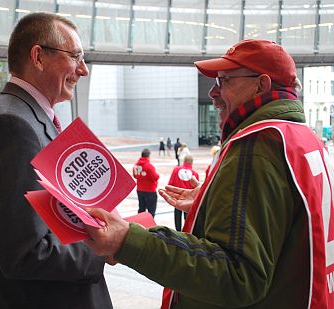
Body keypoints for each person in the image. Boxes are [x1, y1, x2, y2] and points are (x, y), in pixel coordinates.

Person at [83, 39, 334, 308]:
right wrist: (214, 203)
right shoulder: (303, 138)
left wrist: (127, 241)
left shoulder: (256, 145)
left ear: (261, 85)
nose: (213, 92)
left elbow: (237, 275)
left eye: (224, 80)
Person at [0, 12, 112, 308]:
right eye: (75, 56)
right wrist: (104, 247)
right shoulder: (12, 124)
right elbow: (25, 252)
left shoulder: (24, 117)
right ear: (38, 57)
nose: (83, 69)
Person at [168, 155, 199, 231]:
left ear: (184, 161)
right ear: (191, 162)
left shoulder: (176, 170)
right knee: (188, 216)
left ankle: (177, 231)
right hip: (188, 199)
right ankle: (186, 231)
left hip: (177, 197)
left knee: (177, 215)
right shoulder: (195, 173)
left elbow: (170, 183)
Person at [133, 148, 159, 217]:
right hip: (150, 190)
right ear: (148, 156)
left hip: (140, 189)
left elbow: (135, 176)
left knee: (141, 209)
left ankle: (141, 223)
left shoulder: (136, 165)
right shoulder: (149, 166)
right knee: (151, 211)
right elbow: (155, 177)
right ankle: (150, 225)